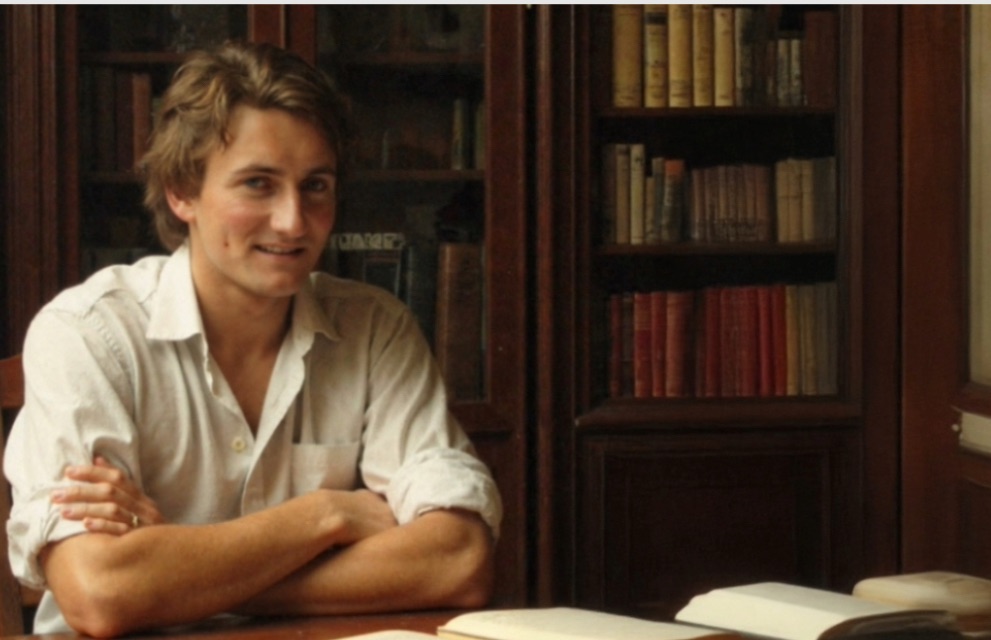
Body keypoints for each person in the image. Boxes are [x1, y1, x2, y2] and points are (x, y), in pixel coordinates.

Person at [4, 40, 501, 638]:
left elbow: (458, 558)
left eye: (315, 185)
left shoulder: (375, 328)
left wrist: (178, 575)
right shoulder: (87, 333)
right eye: (258, 184)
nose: (294, 221)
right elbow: (103, 592)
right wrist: (327, 516)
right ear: (181, 192)